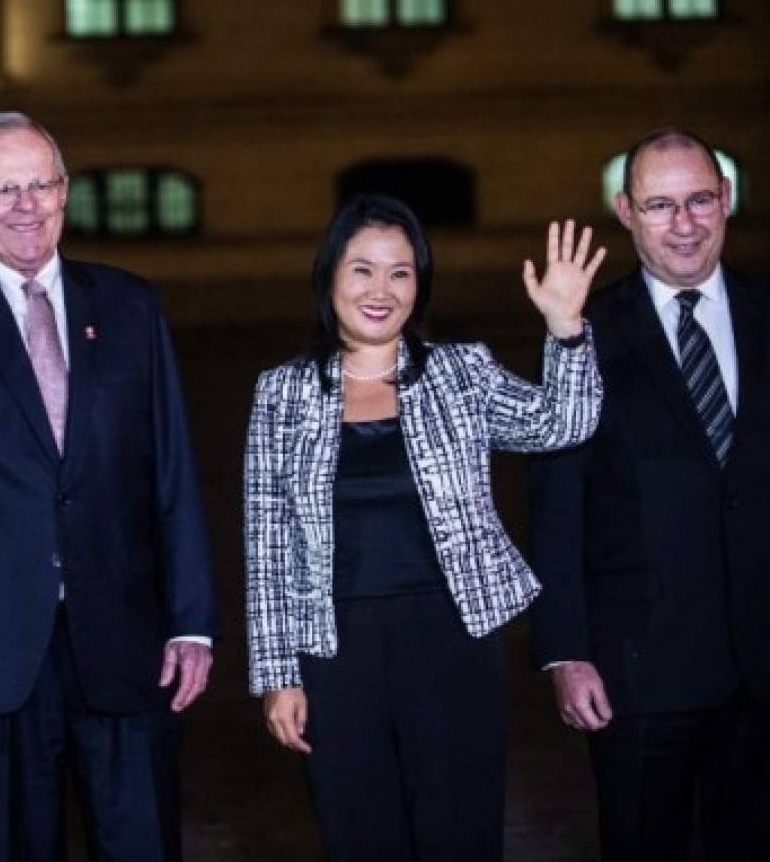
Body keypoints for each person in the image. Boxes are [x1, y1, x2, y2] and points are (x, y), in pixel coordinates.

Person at [0, 111, 219, 861]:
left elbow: (172, 467)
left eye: (39, 184)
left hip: (124, 634)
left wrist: (191, 619)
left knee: (142, 842)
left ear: (66, 192)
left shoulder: (130, 305)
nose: (25, 204)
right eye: (4, 189)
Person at [244, 193, 604, 861]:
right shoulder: (282, 391)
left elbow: (562, 424)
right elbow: (266, 543)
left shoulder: (460, 373)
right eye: (362, 270)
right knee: (361, 838)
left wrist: (566, 330)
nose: (381, 290)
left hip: (453, 646)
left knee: (459, 836)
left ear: (420, 284)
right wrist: (276, 675)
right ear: (329, 276)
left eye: (401, 272)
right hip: (334, 658)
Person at [529, 128, 770, 860]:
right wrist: (565, 651)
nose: (686, 223)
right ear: (625, 211)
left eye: (700, 200)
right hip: (638, 670)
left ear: (726, 201)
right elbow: (556, 505)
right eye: (661, 205)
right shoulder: (584, 333)